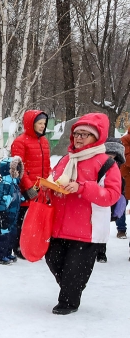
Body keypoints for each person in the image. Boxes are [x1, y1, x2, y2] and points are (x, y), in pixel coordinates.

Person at [44, 113, 121, 314]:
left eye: (85, 134)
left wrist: (82, 187)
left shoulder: (106, 163)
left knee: (75, 269)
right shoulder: (65, 160)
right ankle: (72, 288)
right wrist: (47, 185)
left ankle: (69, 300)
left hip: (88, 229)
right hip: (59, 225)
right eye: (77, 133)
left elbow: (112, 196)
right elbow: (54, 178)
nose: (78, 138)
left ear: (97, 138)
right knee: (53, 259)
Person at [11, 110, 51, 259]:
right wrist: (28, 187)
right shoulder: (20, 142)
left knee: (37, 220)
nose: (42, 126)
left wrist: (50, 181)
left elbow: (46, 164)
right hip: (26, 190)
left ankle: (33, 244)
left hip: (41, 188)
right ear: (31, 124)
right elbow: (19, 167)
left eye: (44, 124)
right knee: (22, 220)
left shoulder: (44, 141)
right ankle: (19, 246)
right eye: (39, 123)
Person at [95, 138, 127, 263]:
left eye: (113, 155)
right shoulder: (99, 165)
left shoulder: (117, 168)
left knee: (103, 227)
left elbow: (120, 185)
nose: (110, 157)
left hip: (110, 201)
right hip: (98, 198)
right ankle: (97, 251)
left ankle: (101, 252)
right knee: (97, 226)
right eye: (108, 154)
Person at [0, 156, 23, 265]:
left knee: (11, 235)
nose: (18, 172)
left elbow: (17, 197)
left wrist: (24, 197)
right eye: (16, 169)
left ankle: (7, 252)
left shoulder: (14, 184)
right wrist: (2, 214)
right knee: (2, 235)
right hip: (3, 216)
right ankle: (0, 255)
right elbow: (0, 201)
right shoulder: (5, 185)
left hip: (12, 217)